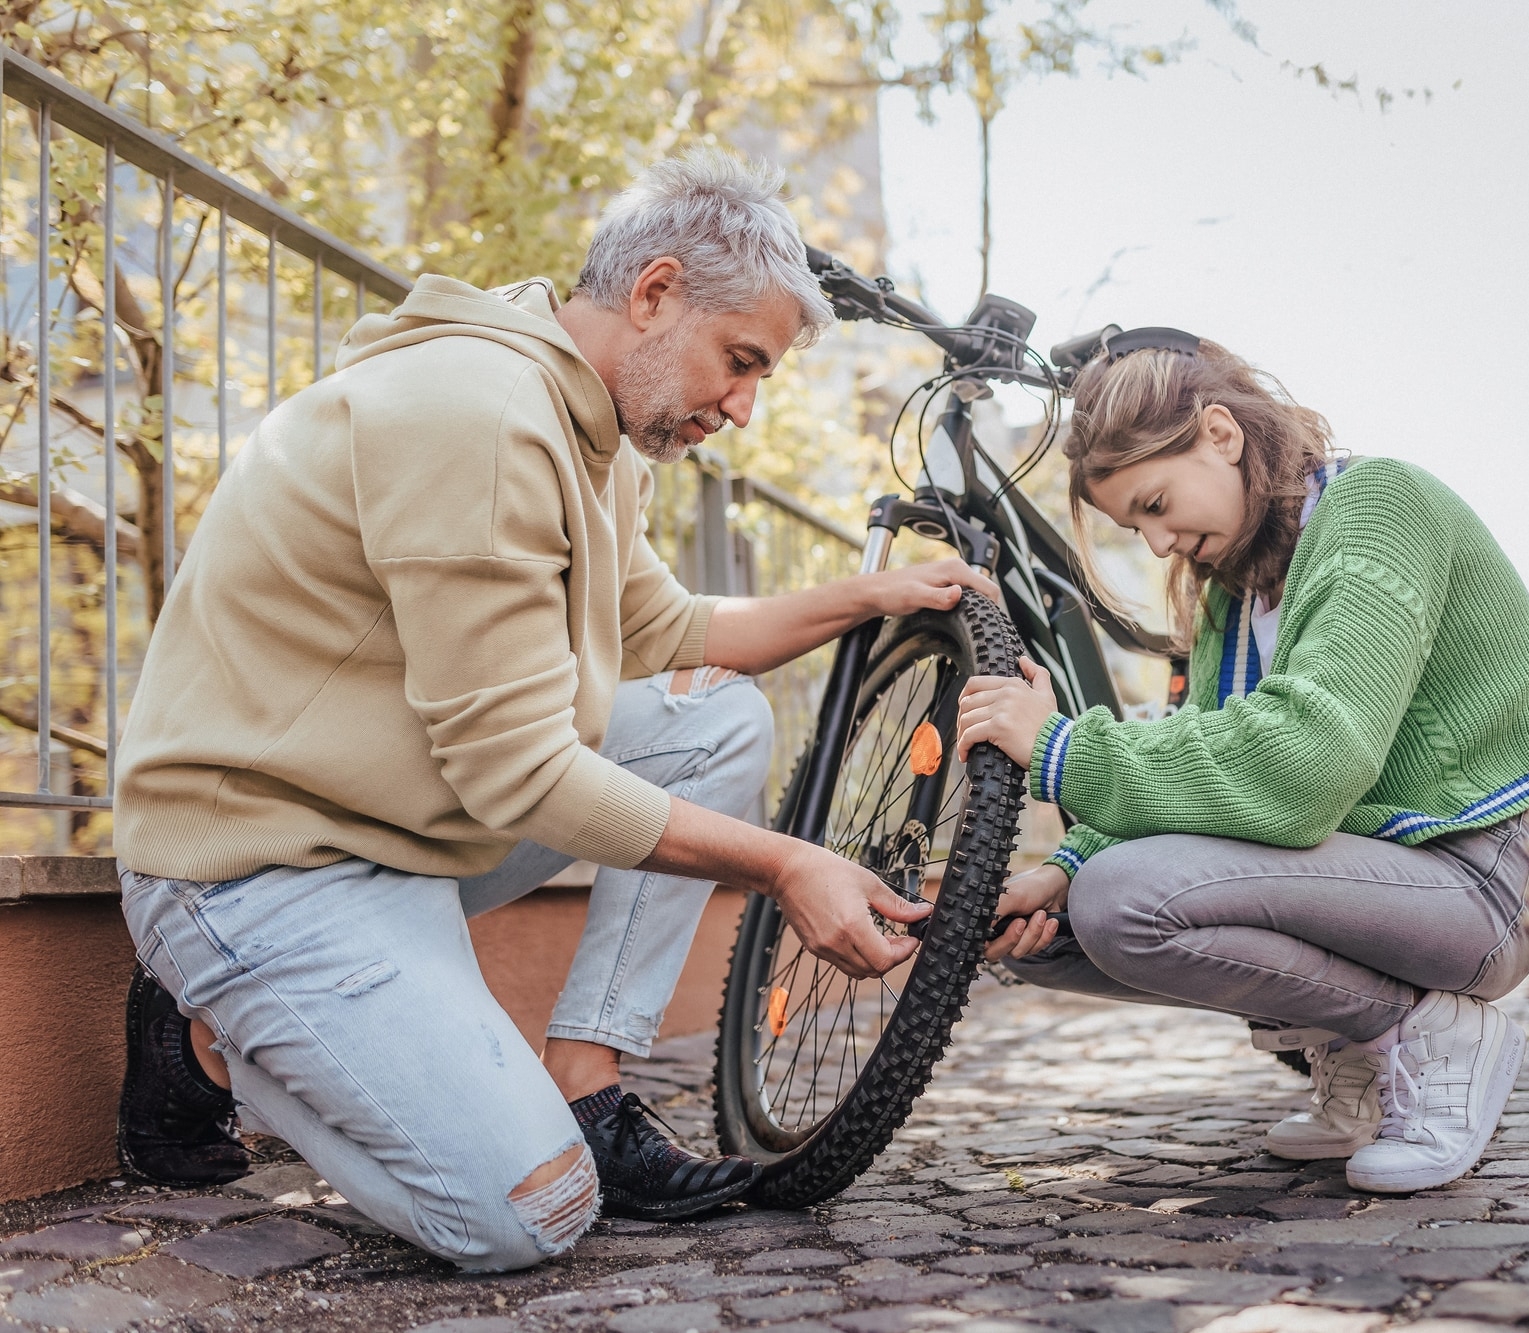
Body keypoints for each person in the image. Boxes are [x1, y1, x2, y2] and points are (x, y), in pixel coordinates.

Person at [111, 149, 997, 1270]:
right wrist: (784, 863)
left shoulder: (596, 435)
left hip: (396, 827)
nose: (742, 405)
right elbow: (517, 774)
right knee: (526, 1213)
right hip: (258, 866)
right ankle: (206, 1040)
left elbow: (666, 631)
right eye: (740, 362)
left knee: (713, 722)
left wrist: (863, 595)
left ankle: (586, 1081)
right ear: (655, 291)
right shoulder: (475, 420)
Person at [955, 329, 1529, 1193]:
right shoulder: (1233, 601)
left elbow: (1305, 765)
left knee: (1127, 901)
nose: (1158, 544)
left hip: (1486, 877)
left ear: (1222, 434)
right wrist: (1063, 864)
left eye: (1157, 504)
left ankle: (1433, 1030)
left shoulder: (1377, 506)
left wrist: (1061, 750)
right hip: (1377, 878)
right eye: (1137, 526)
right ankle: (1359, 1047)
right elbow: (1206, 769)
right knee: (1051, 930)